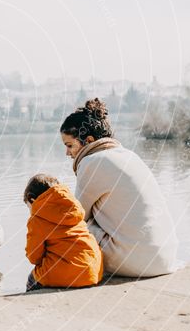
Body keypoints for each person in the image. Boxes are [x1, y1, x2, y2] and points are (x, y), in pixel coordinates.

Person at [60, 98, 182, 277]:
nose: (67, 153)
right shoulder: (130, 155)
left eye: (69, 145)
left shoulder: (90, 162)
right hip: (166, 258)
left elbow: (77, 217)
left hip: (137, 263)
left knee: (67, 223)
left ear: (88, 141)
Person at [24, 173, 103, 291]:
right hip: (93, 272)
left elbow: (33, 256)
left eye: (28, 206)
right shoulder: (74, 210)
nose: (30, 211)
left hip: (64, 274)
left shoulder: (37, 218)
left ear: (32, 199)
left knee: (32, 278)